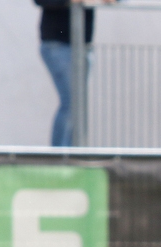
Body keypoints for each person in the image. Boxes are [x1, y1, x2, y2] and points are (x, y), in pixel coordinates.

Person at [35, 0, 114, 147]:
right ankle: (60, 155)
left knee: (77, 105)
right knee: (72, 101)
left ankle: (71, 153)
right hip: (57, 43)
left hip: (82, 45)